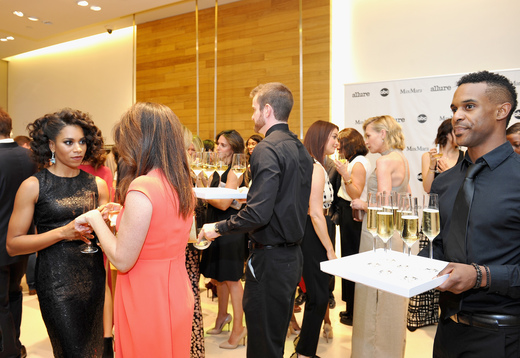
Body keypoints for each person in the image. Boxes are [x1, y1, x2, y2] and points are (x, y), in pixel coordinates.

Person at [198, 82, 314, 358]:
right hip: (293, 256)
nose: (252, 117)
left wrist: (217, 228)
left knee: (262, 344)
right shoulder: (299, 148)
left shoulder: (266, 149)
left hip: (270, 261)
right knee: (273, 340)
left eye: (254, 110)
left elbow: (259, 214)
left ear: (268, 110)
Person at [75, 102, 196, 358]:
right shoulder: (180, 182)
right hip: (176, 289)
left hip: (146, 296)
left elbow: (122, 258)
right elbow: (171, 231)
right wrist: (124, 214)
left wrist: (95, 218)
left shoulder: (143, 185)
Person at [428, 71, 520, 357]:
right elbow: (439, 246)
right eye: (454, 109)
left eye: (469, 107)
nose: (456, 116)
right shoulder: (444, 181)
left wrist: (481, 276)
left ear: (501, 111)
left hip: (502, 339)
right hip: (447, 334)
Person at [6, 108, 109, 357]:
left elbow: (107, 239)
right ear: (51, 145)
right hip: (56, 284)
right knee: (71, 351)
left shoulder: (98, 185)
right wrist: (63, 233)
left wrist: (113, 222)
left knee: (94, 350)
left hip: (94, 279)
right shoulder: (33, 186)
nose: (78, 149)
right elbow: (13, 244)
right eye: (69, 142)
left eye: (82, 141)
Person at [350, 115, 410, 358]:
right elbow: (405, 200)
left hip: (378, 233)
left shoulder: (385, 162)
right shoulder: (401, 159)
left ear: (383, 134)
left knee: (373, 297)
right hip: (395, 233)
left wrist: (362, 203)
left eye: (369, 135)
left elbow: (383, 203)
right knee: (390, 298)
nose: (366, 141)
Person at [291, 120, 338, 358]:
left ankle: (304, 351)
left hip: (313, 230)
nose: (337, 143)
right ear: (321, 138)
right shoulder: (315, 167)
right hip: (315, 232)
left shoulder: (311, 163)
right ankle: (304, 353)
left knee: (317, 296)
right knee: (319, 297)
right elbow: (316, 212)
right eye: (333, 137)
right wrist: (330, 249)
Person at [199, 129, 247, 350]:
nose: (217, 148)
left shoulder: (236, 171)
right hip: (216, 225)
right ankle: (221, 318)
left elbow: (225, 203)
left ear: (234, 148)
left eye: (223, 145)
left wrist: (201, 191)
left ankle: (239, 328)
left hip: (230, 229)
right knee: (220, 277)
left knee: (233, 279)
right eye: (218, 144)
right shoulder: (218, 170)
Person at [0, 108, 36, 358]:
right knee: (14, 293)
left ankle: (8, 350)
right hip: (23, 240)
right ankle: (16, 343)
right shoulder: (31, 157)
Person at [333, 128, 370, 326]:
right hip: (348, 212)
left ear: (350, 143)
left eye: (341, 142)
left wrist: (345, 175)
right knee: (349, 258)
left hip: (353, 214)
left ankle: (354, 311)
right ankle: (351, 308)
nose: (337, 145)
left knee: (352, 259)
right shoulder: (356, 161)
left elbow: (355, 194)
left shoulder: (359, 163)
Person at [182, 126, 206, 358]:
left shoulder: (195, 173)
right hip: (179, 242)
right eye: (187, 149)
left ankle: (192, 348)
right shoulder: (177, 174)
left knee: (190, 295)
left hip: (189, 242)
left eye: (194, 150)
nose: (191, 153)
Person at [421, 118, 464, 193]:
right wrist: (432, 166)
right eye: (456, 131)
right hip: (436, 203)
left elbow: (464, 186)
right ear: (447, 134)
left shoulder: (464, 155)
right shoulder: (428, 156)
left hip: (455, 203)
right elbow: (427, 189)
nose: (460, 135)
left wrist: (448, 174)